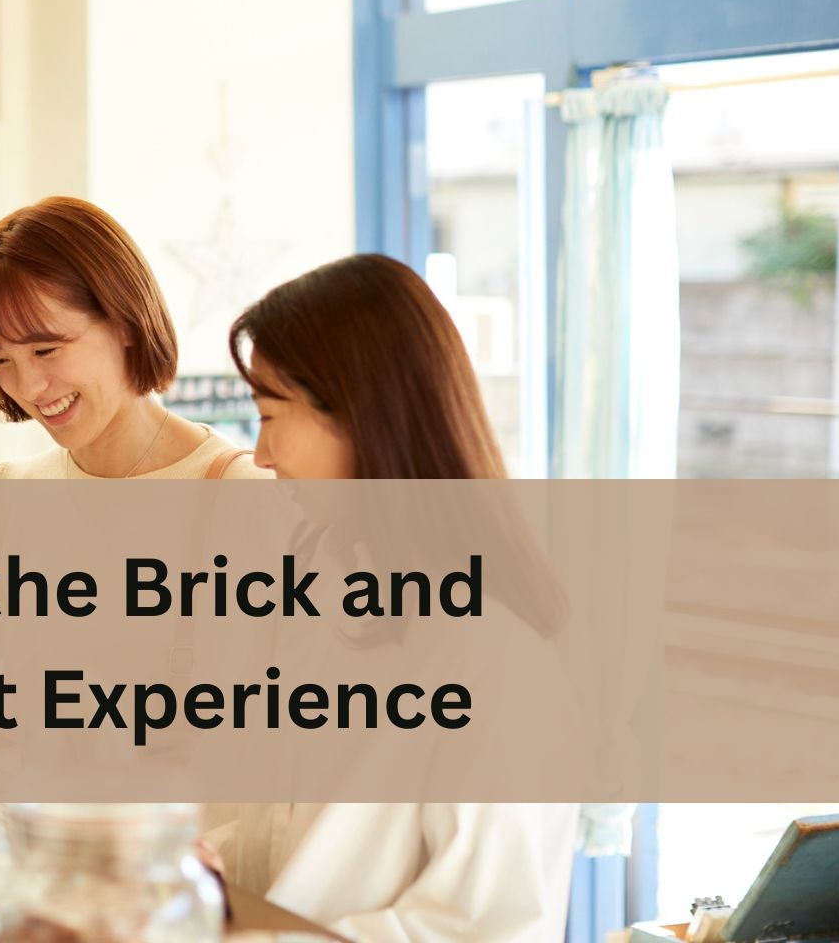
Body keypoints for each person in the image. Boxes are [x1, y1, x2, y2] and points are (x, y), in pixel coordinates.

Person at [203, 253, 576, 943]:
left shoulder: (492, 650)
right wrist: (198, 874)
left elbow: (488, 929)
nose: (260, 455)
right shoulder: (323, 590)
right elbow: (292, 835)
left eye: (269, 415)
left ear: (361, 414)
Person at [0, 196, 264, 480]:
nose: (28, 387)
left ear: (126, 323)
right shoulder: (9, 490)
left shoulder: (242, 487)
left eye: (45, 350)